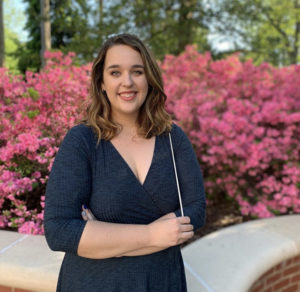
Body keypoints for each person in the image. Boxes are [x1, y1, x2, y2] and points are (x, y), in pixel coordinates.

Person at [44, 33, 206, 292]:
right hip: (94, 284)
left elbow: (196, 209)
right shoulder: (82, 141)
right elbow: (59, 230)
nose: (127, 82)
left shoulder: (173, 138)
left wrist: (102, 237)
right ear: (102, 83)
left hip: (162, 282)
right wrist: (152, 236)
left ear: (149, 79)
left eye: (137, 71)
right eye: (115, 72)